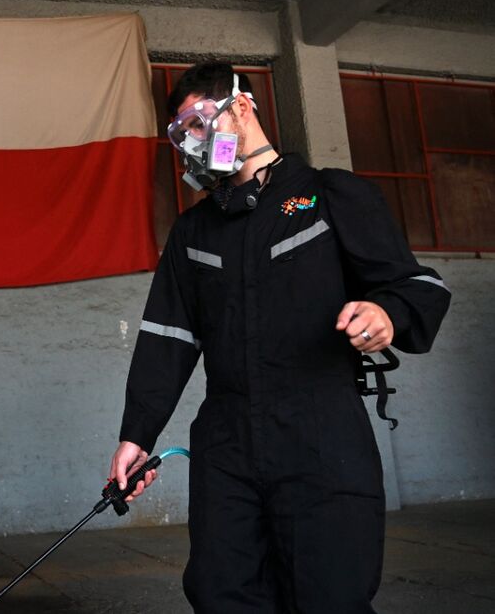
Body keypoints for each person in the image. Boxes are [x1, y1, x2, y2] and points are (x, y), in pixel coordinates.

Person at [108, 61, 450, 613]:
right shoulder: (195, 231)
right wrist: (136, 435)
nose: (191, 143)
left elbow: (419, 285)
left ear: (240, 107)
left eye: (198, 124)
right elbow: (166, 337)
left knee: (331, 594)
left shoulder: (330, 197)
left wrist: (387, 312)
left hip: (323, 431)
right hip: (226, 440)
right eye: (181, 135)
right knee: (221, 591)